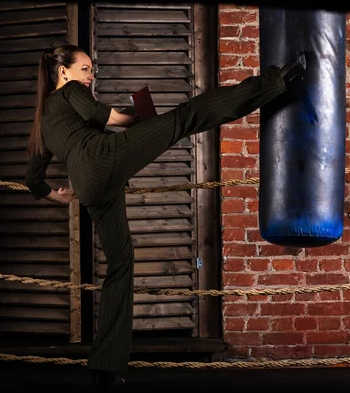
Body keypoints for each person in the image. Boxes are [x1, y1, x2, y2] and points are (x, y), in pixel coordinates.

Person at [25, 44, 307, 388]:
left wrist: (62, 196)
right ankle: (276, 80)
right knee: (185, 116)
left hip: (90, 186)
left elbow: (33, 180)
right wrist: (143, 119)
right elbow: (105, 116)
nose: (90, 75)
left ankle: (106, 367)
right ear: (63, 72)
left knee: (120, 264)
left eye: (91, 70)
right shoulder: (68, 91)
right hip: (100, 158)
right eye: (85, 69)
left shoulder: (41, 121)